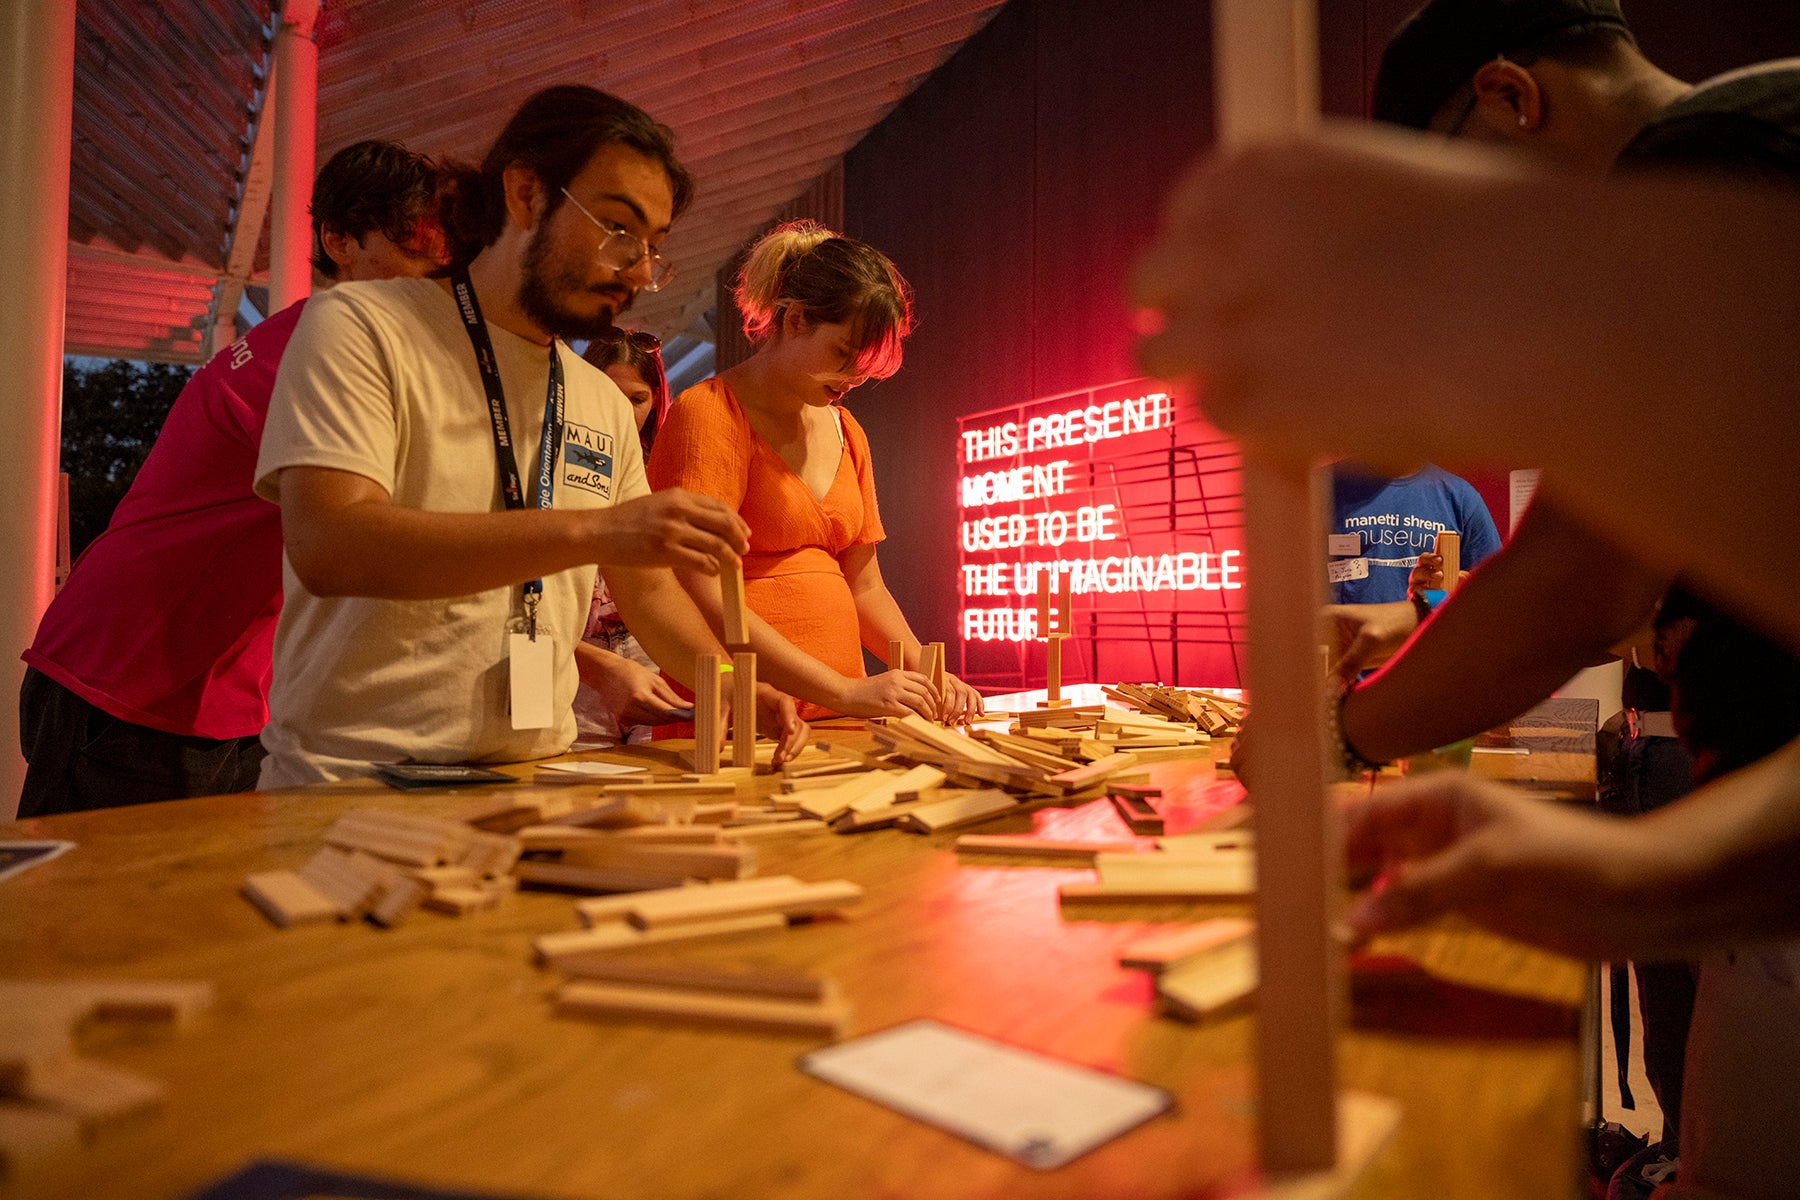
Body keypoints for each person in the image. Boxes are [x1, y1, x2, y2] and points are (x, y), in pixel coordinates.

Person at [1129, 101, 1800, 1200]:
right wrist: (1645, 883)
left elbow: (1571, 587)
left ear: (1508, 102)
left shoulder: (1726, 171)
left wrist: (1345, 735)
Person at [252, 85, 807, 787]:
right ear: (523, 194)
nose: (638, 271)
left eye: (653, 249)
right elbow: (331, 544)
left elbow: (650, 592)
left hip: (533, 775)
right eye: (618, 230)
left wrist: (726, 680)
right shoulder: (363, 325)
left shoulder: (600, 400)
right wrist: (596, 531)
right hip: (352, 779)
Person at [17, 141, 447, 818]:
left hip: (207, 685)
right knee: (86, 916)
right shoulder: (316, 354)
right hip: (132, 678)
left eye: (449, 256)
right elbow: (390, 531)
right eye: (413, 248)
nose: (436, 274)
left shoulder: (310, 342)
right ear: (337, 239)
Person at [646, 220, 983, 723]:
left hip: (842, 711)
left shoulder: (847, 430)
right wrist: (843, 690)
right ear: (796, 319)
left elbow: (865, 585)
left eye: (862, 364)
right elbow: (700, 587)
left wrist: (928, 673)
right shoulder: (710, 413)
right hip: (741, 713)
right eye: (842, 352)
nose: (849, 379)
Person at [572, 328, 687, 747]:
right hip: (577, 651)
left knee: (653, 781)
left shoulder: (667, 466)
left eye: (636, 399)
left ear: (656, 400)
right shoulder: (559, 458)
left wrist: (729, 676)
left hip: (647, 648)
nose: (621, 411)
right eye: (608, 393)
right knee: (580, 784)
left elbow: (662, 590)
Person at [1327, 461, 1500, 605]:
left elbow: (1492, 596)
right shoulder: (1322, 486)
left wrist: (1440, 596)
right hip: (1339, 643)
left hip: (1427, 643)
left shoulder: (1461, 498)